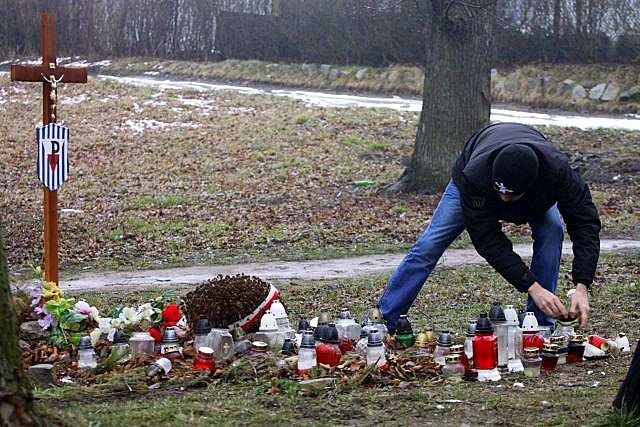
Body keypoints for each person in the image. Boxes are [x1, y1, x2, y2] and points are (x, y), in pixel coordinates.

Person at [378, 122, 601, 332]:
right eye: (500, 192)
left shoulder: (559, 174)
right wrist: (532, 286)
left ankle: (539, 324)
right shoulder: (474, 176)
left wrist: (582, 286)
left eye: (510, 195)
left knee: (552, 231)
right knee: (430, 244)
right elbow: (488, 241)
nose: (504, 199)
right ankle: (386, 316)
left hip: (536, 195)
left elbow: (585, 224)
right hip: (477, 183)